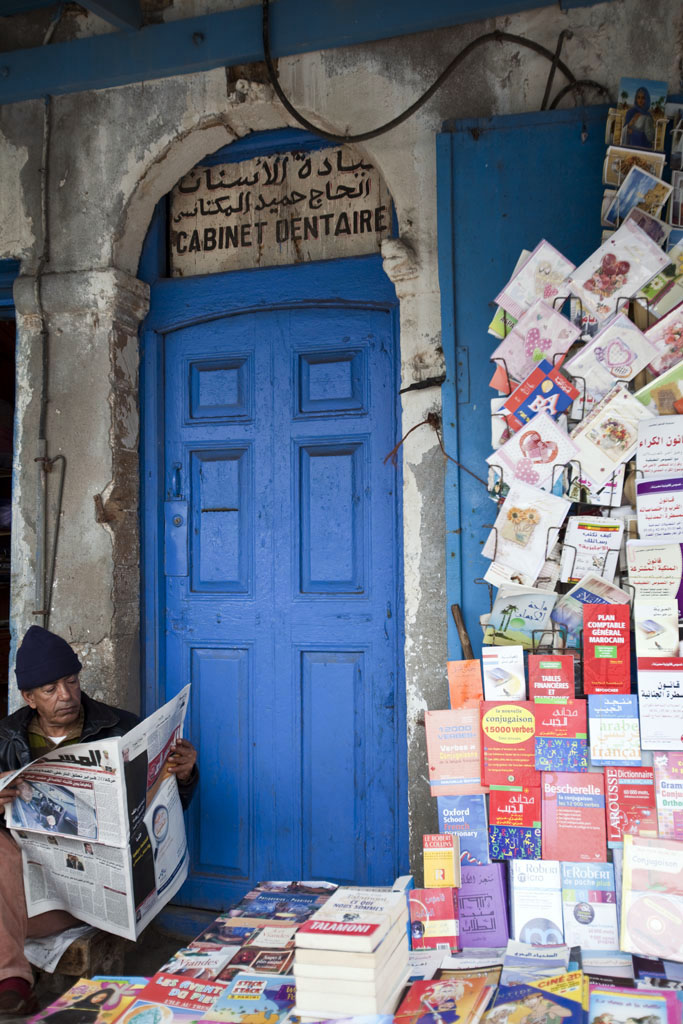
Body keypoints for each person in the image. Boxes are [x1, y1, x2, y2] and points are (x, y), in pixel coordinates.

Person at [0, 625, 199, 1017]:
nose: (66, 696)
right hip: (31, 889)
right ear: (28, 697)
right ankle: (13, 985)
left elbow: (166, 813)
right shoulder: (6, 738)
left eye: (71, 682)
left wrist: (186, 775)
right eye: (50, 689)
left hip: (100, 893)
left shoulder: (121, 728)